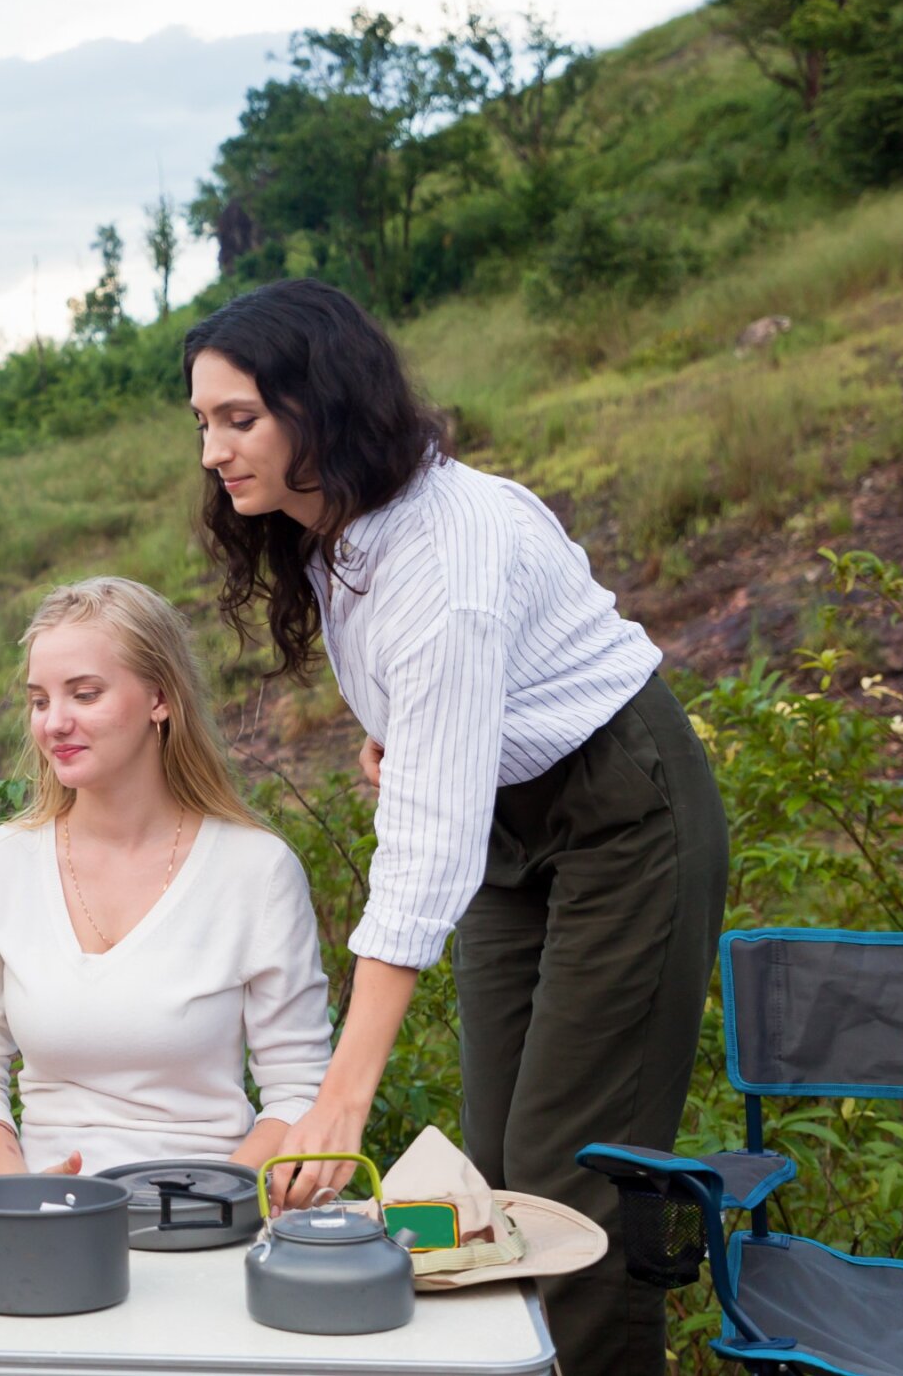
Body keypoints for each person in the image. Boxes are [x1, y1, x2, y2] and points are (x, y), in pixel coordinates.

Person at [183, 278, 726, 1376]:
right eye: (203, 423)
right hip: (508, 824)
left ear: (320, 409)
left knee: (573, 1172)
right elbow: (449, 706)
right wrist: (418, 734)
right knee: (496, 1170)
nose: (212, 451)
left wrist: (340, 1100)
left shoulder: (446, 553)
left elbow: (425, 845)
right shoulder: (335, 526)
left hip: (624, 815)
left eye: (238, 420)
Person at [0, 577, 332, 1178]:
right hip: (50, 1219)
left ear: (160, 698)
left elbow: (298, 1088)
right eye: (40, 700)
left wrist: (214, 1200)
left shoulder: (256, 870)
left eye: (85, 694)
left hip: (209, 1217)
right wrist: (19, 1195)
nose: (54, 723)